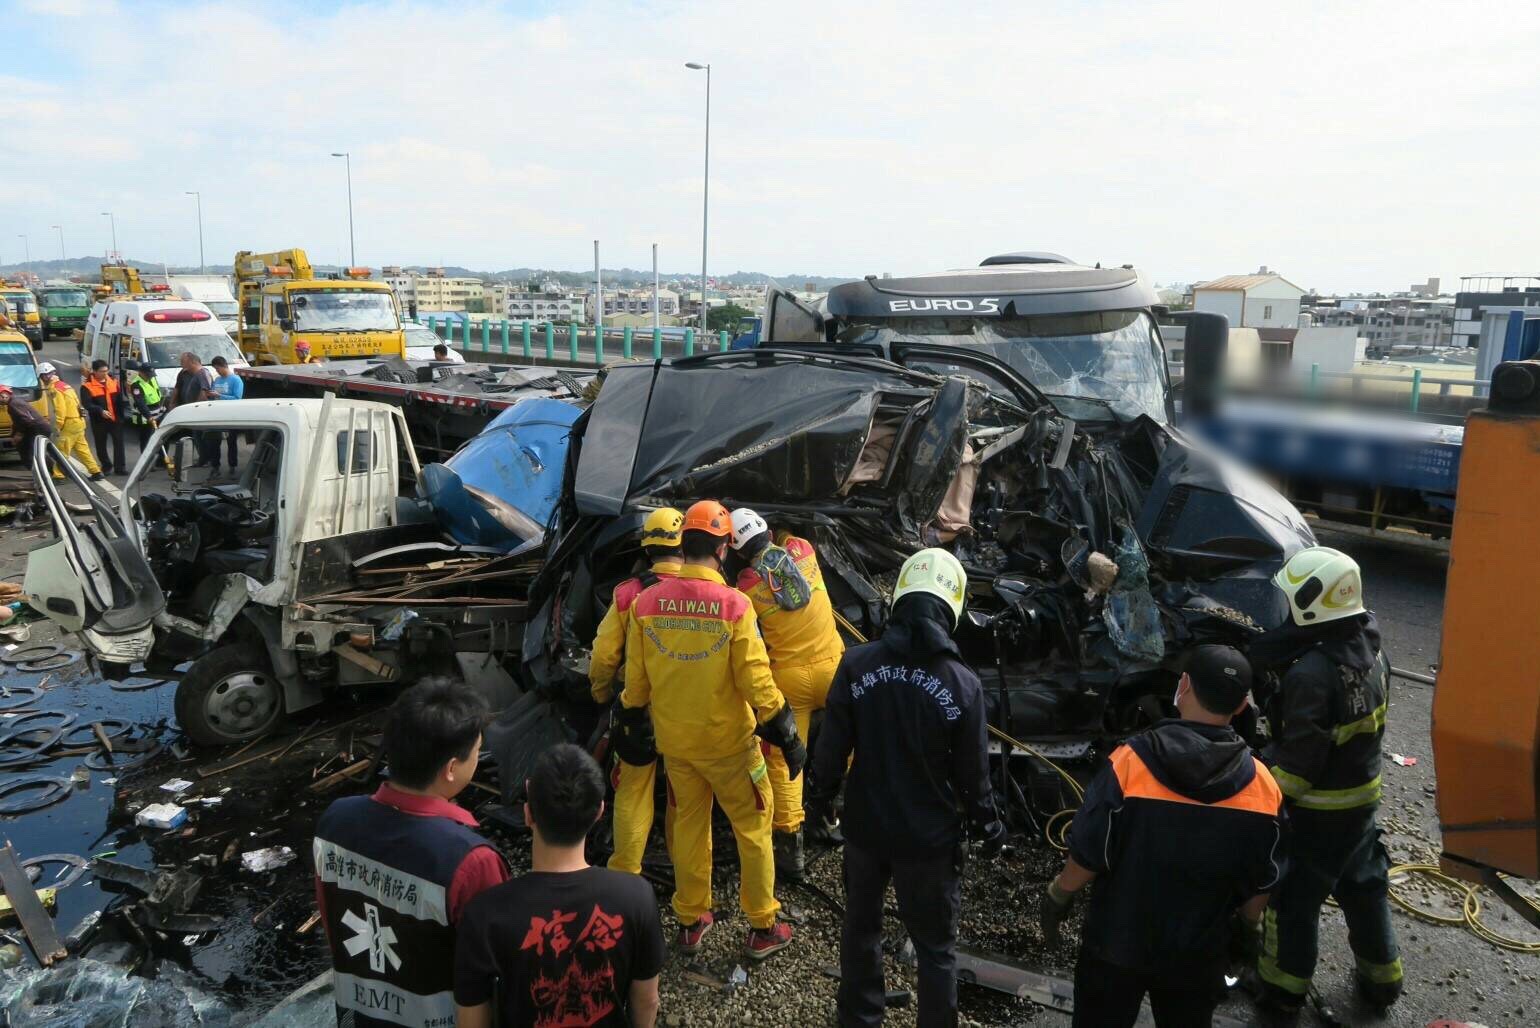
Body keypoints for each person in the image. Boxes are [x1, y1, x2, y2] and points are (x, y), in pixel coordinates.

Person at [807, 547, 1001, 1028]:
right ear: (951, 609)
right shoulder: (962, 685)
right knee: (936, 948)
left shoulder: (855, 666)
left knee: (860, 930)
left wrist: (818, 802)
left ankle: (860, 1018)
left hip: (866, 830)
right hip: (929, 842)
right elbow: (974, 775)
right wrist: (989, 827)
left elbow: (831, 750)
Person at [1041, 645, 1285, 1028]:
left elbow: (1089, 854)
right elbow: (1262, 877)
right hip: (1197, 954)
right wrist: (1249, 927)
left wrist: (1059, 894)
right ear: (1241, 707)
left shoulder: (1129, 763)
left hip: (1117, 945)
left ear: (1182, 686)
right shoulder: (1263, 786)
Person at [619, 499, 804, 960]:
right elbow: (756, 680)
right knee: (753, 827)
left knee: (688, 826)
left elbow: (635, 684)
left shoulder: (645, 602)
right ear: (723, 549)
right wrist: (786, 730)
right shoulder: (735, 606)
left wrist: (628, 717)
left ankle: (690, 919)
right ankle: (762, 925)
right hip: (731, 749)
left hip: (677, 746)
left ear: (684, 544)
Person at [1252, 546, 1401, 1017]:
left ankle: (1283, 991)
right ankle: (1383, 982)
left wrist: (1258, 794)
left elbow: (1299, 766)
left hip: (1319, 813)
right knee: (1364, 888)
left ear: (1313, 605)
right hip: (1361, 804)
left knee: (1292, 902)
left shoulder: (1311, 675)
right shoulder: (1372, 649)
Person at [313, 679, 509, 1027]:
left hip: (358, 1014)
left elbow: (332, 924)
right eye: (477, 751)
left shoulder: (335, 821)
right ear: (451, 769)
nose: (478, 759)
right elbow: (489, 973)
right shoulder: (471, 860)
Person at [455, 744, 664, 1028]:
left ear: (528, 814)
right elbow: (647, 1000)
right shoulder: (636, 897)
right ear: (599, 812)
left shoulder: (485, 913)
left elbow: (471, 1020)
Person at [728, 508, 845, 880]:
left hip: (789, 680)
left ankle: (790, 848)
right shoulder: (804, 549)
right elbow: (787, 539)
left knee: (784, 761)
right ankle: (833, 812)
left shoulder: (745, 584)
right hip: (833, 669)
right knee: (851, 740)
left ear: (736, 549)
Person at [589, 508, 684, 876]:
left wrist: (601, 695)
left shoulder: (628, 594)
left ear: (646, 547)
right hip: (689, 710)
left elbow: (603, 656)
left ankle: (625, 872)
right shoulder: (712, 591)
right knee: (686, 794)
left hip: (636, 710)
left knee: (631, 790)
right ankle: (685, 869)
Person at [34, 363, 102, 481]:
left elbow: (60, 409)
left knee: (61, 451)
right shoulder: (64, 385)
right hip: (78, 421)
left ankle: (59, 475)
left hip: (69, 423)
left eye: (41, 377)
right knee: (82, 449)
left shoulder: (53, 389)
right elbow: (77, 403)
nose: (42, 380)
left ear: (44, 376)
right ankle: (96, 471)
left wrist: (58, 426)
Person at [168, 352, 215, 475]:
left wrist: (195, 406)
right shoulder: (183, 373)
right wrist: (172, 403)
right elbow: (177, 388)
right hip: (189, 409)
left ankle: (208, 460)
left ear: (192, 361)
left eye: (183, 361)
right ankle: (202, 459)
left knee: (204, 435)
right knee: (196, 435)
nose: (181, 364)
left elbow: (204, 392)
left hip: (200, 411)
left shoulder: (203, 373)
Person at [80, 359, 126, 476]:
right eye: (101, 371)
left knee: (119, 443)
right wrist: (100, 411)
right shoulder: (87, 386)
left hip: (115, 419)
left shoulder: (113, 381)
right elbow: (87, 404)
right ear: (94, 371)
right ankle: (106, 465)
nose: (104, 373)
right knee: (101, 444)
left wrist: (121, 417)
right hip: (99, 421)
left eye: (106, 371)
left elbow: (119, 400)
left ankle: (120, 467)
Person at [1, 384, 55, 470]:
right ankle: (50, 471)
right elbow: (19, 421)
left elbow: (26, 420)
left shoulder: (14, 404)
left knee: (31, 452)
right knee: (35, 451)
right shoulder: (14, 402)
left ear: (5, 395)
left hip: (37, 429)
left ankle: (43, 472)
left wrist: (19, 434)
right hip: (34, 428)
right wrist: (13, 432)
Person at [209, 355, 243, 472]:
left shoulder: (236, 380)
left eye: (217, 368)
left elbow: (237, 398)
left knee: (231, 441)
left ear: (222, 366)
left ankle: (232, 466)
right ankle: (215, 466)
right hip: (217, 415)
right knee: (214, 441)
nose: (216, 371)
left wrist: (220, 396)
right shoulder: (217, 380)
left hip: (231, 415)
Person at [125, 361, 167, 455]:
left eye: (151, 374)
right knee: (147, 440)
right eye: (148, 375)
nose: (150, 376)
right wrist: (149, 416)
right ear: (141, 372)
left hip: (158, 412)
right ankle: (146, 461)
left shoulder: (151, 379)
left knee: (162, 437)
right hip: (146, 415)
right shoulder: (136, 384)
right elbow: (140, 402)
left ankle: (161, 460)